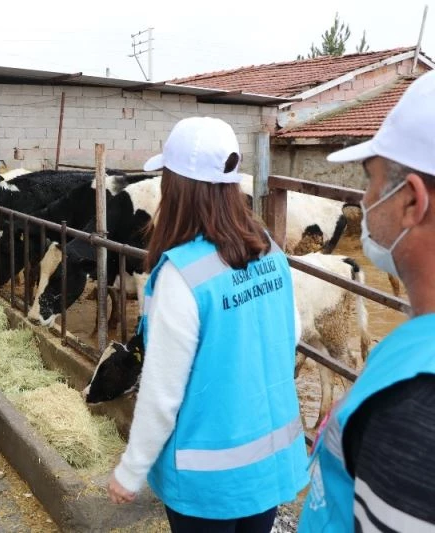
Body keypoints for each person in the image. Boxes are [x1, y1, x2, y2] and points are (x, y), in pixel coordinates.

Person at [107, 117, 308, 532]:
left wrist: (131, 470)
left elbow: (163, 393)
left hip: (206, 482)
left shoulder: (182, 275)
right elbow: (292, 335)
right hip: (267, 466)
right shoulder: (269, 250)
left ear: (176, 186)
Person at [298, 71, 435, 532]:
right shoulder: (415, 348)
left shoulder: (415, 410)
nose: (364, 199)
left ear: (412, 201)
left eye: (372, 182)